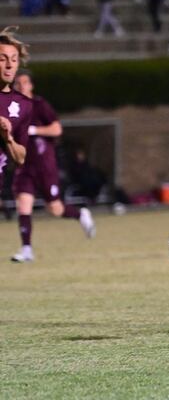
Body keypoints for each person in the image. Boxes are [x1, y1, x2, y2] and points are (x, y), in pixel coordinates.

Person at [10, 70, 96, 263]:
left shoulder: (39, 105)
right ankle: (26, 250)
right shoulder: (12, 107)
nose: (22, 86)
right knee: (23, 206)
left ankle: (80, 213)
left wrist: (34, 130)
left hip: (44, 166)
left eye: (25, 83)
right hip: (24, 166)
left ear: (31, 85)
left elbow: (57, 128)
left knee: (55, 208)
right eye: (18, 84)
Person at [0, 27, 33, 217]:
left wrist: (8, 138)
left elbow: (20, 157)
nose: (9, 65)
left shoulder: (23, 105)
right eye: (3, 59)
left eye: (13, 60)